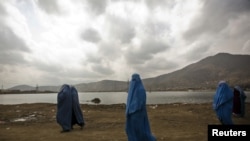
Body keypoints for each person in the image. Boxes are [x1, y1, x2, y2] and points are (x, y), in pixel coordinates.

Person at [125, 73, 156, 141]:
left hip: (139, 114)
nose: (133, 82)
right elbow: (129, 102)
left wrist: (133, 109)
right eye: (132, 80)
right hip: (130, 115)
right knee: (131, 130)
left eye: (134, 79)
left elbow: (141, 102)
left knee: (140, 130)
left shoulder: (141, 89)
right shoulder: (131, 91)